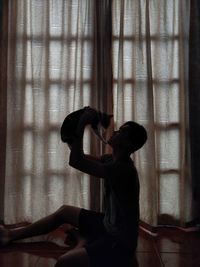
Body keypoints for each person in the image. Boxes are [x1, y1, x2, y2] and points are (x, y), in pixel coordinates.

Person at [0, 107, 147, 267]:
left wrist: (82, 123)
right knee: (64, 212)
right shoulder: (111, 160)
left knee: (64, 263)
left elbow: (76, 161)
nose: (115, 131)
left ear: (128, 143)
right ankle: (10, 235)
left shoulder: (123, 169)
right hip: (107, 224)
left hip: (120, 242)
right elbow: (80, 156)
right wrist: (75, 129)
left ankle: (83, 240)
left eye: (121, 131)